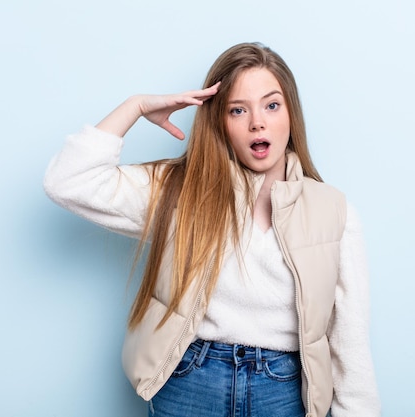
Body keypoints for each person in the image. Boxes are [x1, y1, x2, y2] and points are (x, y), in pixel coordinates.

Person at [43, 42, 380, 417]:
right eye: (238, 110)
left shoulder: (334, 211)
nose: (257, 122)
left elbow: (350, 340)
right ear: (220, 121)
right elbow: (67, 182)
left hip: (283, 388)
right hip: (191, 379)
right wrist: (135, 106)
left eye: (272, 105)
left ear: (291, 114)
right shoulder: (179, 191)